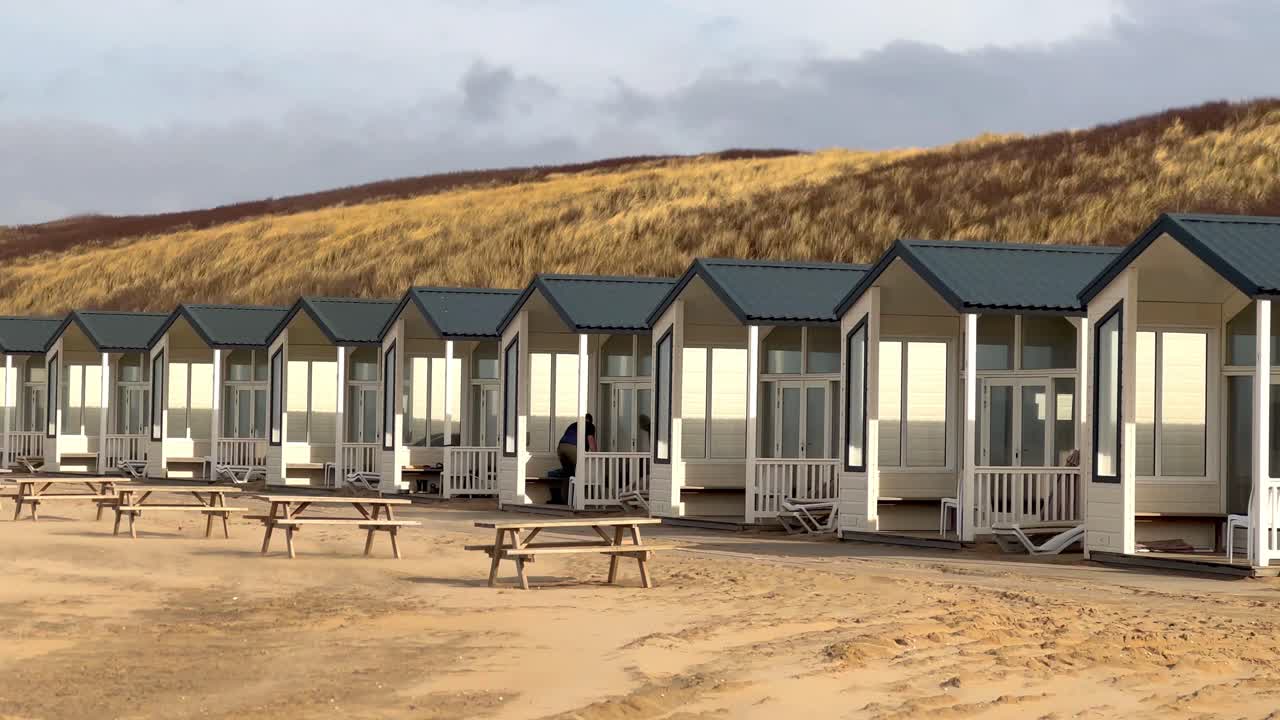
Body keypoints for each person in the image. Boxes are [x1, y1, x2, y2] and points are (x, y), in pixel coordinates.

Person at [550, 414, 597, 504]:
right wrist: (596, 457)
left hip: (561, 447)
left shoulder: (573, 424)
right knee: (581, 472)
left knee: (568, 474)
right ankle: (580, 500)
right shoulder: (589, 425)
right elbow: (591, 443)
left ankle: (566, 500)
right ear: (590, 421)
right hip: (573, 447)